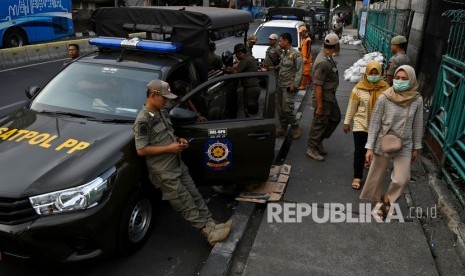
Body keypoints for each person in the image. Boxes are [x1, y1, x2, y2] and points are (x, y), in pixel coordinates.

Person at [133, 80, 232, 246]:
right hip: (165, 171)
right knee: (185, 203)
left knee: (195, 195)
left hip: (177, 163)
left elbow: (168, 135)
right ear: (153, 95)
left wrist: (179, 142)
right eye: (164, 98)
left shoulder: (161, 112)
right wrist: (169, 149)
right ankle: (209, 233)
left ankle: (212, 224)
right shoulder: (143, 120)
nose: (166, 101)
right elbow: (141, 150)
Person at [360, 65, 423, 220]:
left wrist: (416, 147)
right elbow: (374, 123)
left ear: (412, 80)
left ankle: (388, 199)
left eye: (404, 78)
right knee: (377, 175)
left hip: (405, 143)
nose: (399, 81)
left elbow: (418, 124)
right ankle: (377, 203)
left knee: (403, 178)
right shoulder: (385, 97)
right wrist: (369, 147)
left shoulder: (417, 99)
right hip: (383, 141)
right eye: (397, 78)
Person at [343, 61, 389, 190]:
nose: (373, 75)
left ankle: (370, 170)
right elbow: (352, 106)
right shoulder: (358, 88)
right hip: (361, 124)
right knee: (359, 151)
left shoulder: (385, 88)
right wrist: (347, 122)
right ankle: (357, 176)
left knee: (374, 151)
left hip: (378, 127)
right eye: (371, 73)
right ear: (366, 73)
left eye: (376, 73)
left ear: (380, 73)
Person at [306, 33, 341, 161]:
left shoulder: (327, 57)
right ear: (336, 45)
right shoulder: (324, 62)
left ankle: (318, 140)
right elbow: (318, 86)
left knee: (335, 117)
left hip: (329, 96)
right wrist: (320, 106)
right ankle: (312, 148)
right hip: (324, 99)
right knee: (319, 123)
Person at [275, 33, 303, 139]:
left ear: (287, 41)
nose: (279, 42)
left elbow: (299, 71)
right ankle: (283, 128)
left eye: (281, 40)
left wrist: (294, 85)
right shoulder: (284, 53)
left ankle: (296, 127)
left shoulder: (296, 54)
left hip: (288, 85)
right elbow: (282, 66)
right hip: (280, 84)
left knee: (287, 108)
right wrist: (273, 67)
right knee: (280, 109)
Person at [224, 44, 261, 117]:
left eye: (236, 54)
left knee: (248, 111)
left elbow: (235, 72)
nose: (236, 57)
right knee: (253, 109)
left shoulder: (245, 60)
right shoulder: (251, 57)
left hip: (250, 89)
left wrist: (225, 70)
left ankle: (249, 126)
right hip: (256, 87)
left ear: (240, 53)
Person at [298, 26, 312, 90]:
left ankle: (303, 85)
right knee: (306, 71)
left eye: (301, 32)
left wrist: (306, 58)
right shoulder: (303, 39)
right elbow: (302, 48)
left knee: (305, 72)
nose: (300, 34)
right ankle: (310, 81)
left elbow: (309, 50)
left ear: (304, 31)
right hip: (303, 57)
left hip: (307, 58)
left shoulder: (308, 40)